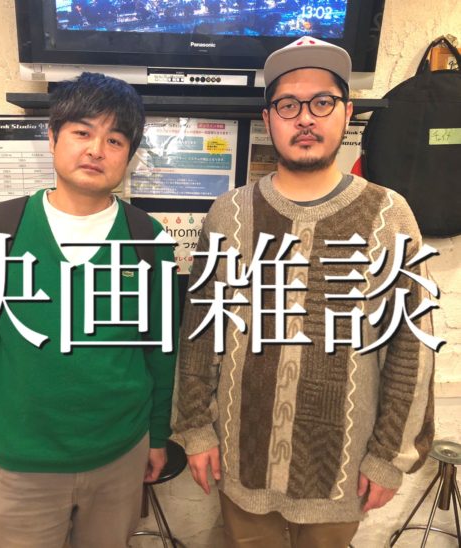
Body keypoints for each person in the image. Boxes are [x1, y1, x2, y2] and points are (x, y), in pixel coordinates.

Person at [172, 36, 435, 548]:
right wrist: (196, 429)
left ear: (347, 113)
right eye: (288, 105)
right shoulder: (229, 213)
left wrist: (389, 457)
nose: (306, 118)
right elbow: (201, 331)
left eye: (322, 102)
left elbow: (411, 346)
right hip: (241, 459)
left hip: (341, 469)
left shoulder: (389, 214)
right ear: (268, 118)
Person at [0, 72, 178, 548]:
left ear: (129, 156)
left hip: (120, 455)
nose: (96, 150)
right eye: (82, 132)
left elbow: (160, 352)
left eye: (114, 140)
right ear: (52, 138)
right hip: (22, 461)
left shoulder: (148, 240)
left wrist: (156, 436)